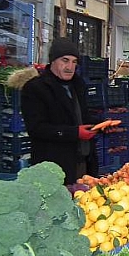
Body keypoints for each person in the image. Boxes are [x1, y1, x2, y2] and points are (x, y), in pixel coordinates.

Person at [21, 37, 101, 185]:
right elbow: (37, 128)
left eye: (74, 62)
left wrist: (101, 125)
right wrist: (74, 133)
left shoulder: (78, 85)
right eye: (65, 60)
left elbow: (82, 117)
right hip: (53, 167)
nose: (70, 67)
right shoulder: (35, 88)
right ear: (53, 60)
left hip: (82, 162)